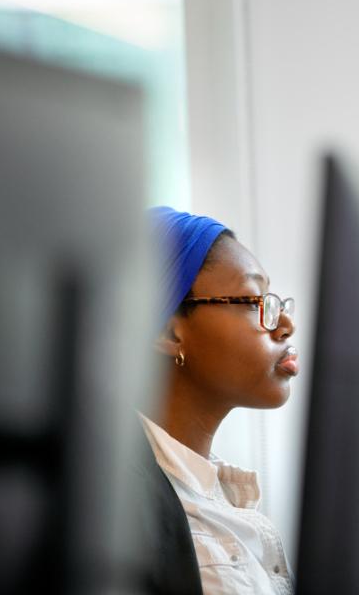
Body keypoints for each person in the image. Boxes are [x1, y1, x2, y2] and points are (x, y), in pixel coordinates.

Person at [140, 206, 298, 595]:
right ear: (169, 332)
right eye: (252, 300)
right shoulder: (131, 511)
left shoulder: (217, 498)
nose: (285, 324)